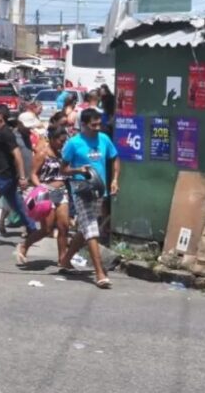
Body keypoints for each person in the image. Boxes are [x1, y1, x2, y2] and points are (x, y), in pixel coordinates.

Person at [60, 108, 120, 289]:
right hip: (81, 190)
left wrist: (115, 179)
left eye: (99, 124)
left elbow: (115, 157)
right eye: (93, 125)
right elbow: (63, 169)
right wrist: (78, 170)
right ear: (83, 125)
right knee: (92, 230)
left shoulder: (104, 139)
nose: (97, 128)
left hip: (99, 189)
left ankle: (65, 259)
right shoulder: (73, 143)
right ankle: (99, 272)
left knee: (86, 227)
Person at [0, 105, 36, 264]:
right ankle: (32, 228)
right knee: (17, 204)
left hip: (4, 176)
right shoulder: (0, 132)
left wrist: (22, 177)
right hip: (5, 176)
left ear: (0, 117)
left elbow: (17, 155)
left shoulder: (6, 133)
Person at [22, 126, 71, 265]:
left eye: (64, 141)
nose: (63, 143)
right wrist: (41, 188)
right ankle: (25, 245)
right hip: (46, 194)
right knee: (47, 229)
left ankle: (63, 258)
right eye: (61, 141)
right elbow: (33, 174)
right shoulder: (42, 153)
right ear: (53, 139)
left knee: (64, 226)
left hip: (61, 193)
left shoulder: (63, 154)